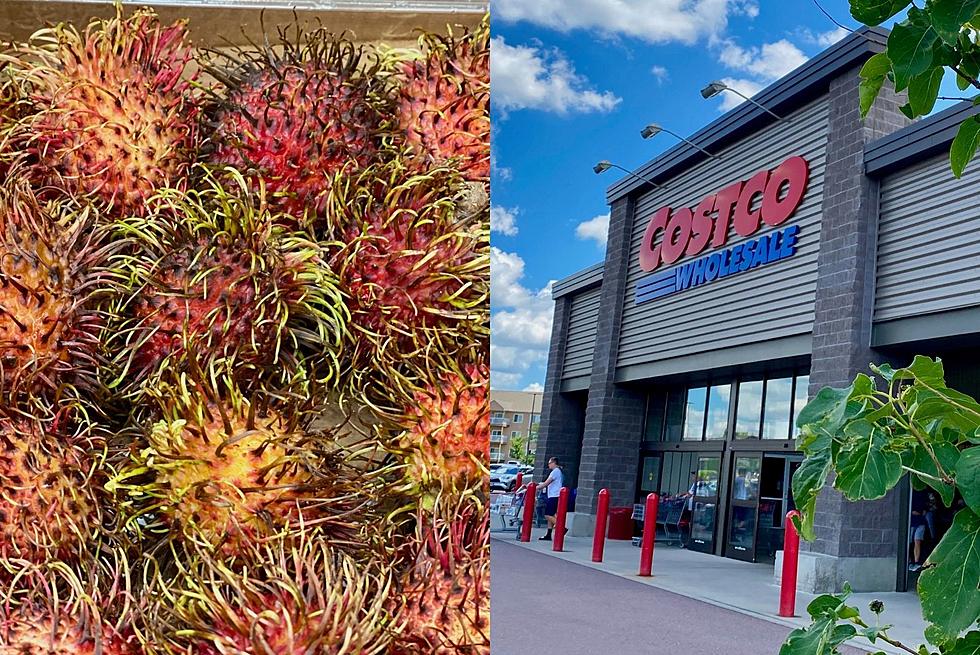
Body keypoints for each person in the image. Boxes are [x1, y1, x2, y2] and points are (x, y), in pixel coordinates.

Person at [538, 456, 565, 541]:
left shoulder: (555, 472)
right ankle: (548, 534)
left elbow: (546, 483)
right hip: (553, 495)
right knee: (552, 515)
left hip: (554, 496)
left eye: (549, 463)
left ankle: (561, 528)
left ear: (554, 463)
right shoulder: (558, 472)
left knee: (547, 515)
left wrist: (535, 488)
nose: (548, 465)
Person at [909, 489, 928, 571]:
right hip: (912, 522)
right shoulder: (911, 492)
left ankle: (916, 562)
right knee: (910, 543)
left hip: (920, 522)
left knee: (917, 542)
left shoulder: (923, 493)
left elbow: (926, 506)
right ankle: (910, 561)